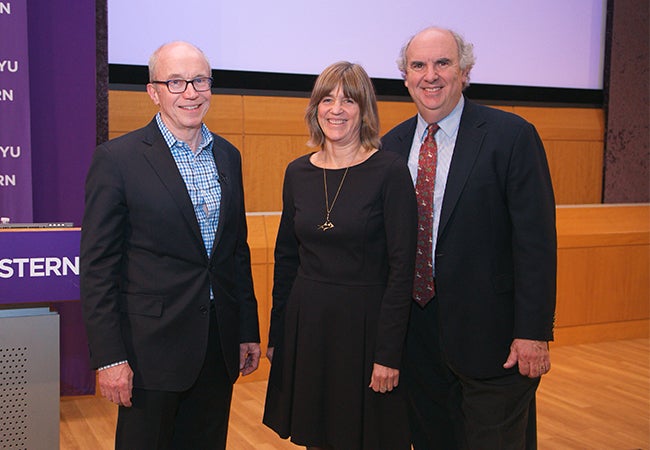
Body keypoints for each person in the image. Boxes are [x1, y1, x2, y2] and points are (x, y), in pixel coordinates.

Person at [381, 27, 557, 450]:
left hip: (495, 345)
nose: (431, 75)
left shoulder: (511, 136)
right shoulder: (390, 147)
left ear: (465, 72)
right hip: (417, 345)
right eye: (419, 65)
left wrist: (533, 332)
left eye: (443, 63)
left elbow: (535, 243)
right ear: (405, 77)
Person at [80, 41, 261, 449]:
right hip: (150, 352)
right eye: (176, 82)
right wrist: (110, 357)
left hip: (216, 343)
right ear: (153, 91)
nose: (191, 92)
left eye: (199, 80)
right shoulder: (117, 160)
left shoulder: (227, 156)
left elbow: (236, 251)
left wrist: (246, 327)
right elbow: (97, 269)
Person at [262, 61, 418, 450]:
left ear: (364, 110)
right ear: (315, 108)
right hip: (309, 327)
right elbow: (286, 260)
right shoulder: (297, 172)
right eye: (327, 99)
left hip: (365, 332)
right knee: (318, 437)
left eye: (349, 100)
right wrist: (277, 335)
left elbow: (403, 270)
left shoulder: (390, 171)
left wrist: (388, 353)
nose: (337, 109)